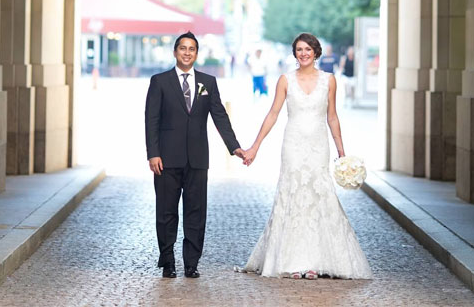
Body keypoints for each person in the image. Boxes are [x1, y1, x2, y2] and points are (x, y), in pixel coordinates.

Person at [237, 32, 372, 279]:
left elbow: (332, 117)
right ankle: (292, 261)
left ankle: (315, 261)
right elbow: (273, 114)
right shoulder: (285, 80)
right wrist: (255, 146)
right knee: (293, 194)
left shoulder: (329, 80)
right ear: (295, 53)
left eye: (308, 49)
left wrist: (342, 154)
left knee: (318, 195)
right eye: (299, 49)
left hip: (318, 145)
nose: (304, 53)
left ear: (316, 52)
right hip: (293, 144)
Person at [144, 31, 247, 279]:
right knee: (166, 212)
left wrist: (235, 147)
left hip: (198, 159)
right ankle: (167, 262)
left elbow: (220, 117)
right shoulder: (160, 81)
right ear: (175, 52)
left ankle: (192, 263)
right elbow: (151, 120)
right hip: (166, 159)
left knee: (196, 212)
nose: (187, 52)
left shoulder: (208, 82)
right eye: (183, 48)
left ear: (197, 54)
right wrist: (153, 153)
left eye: (192, 49)